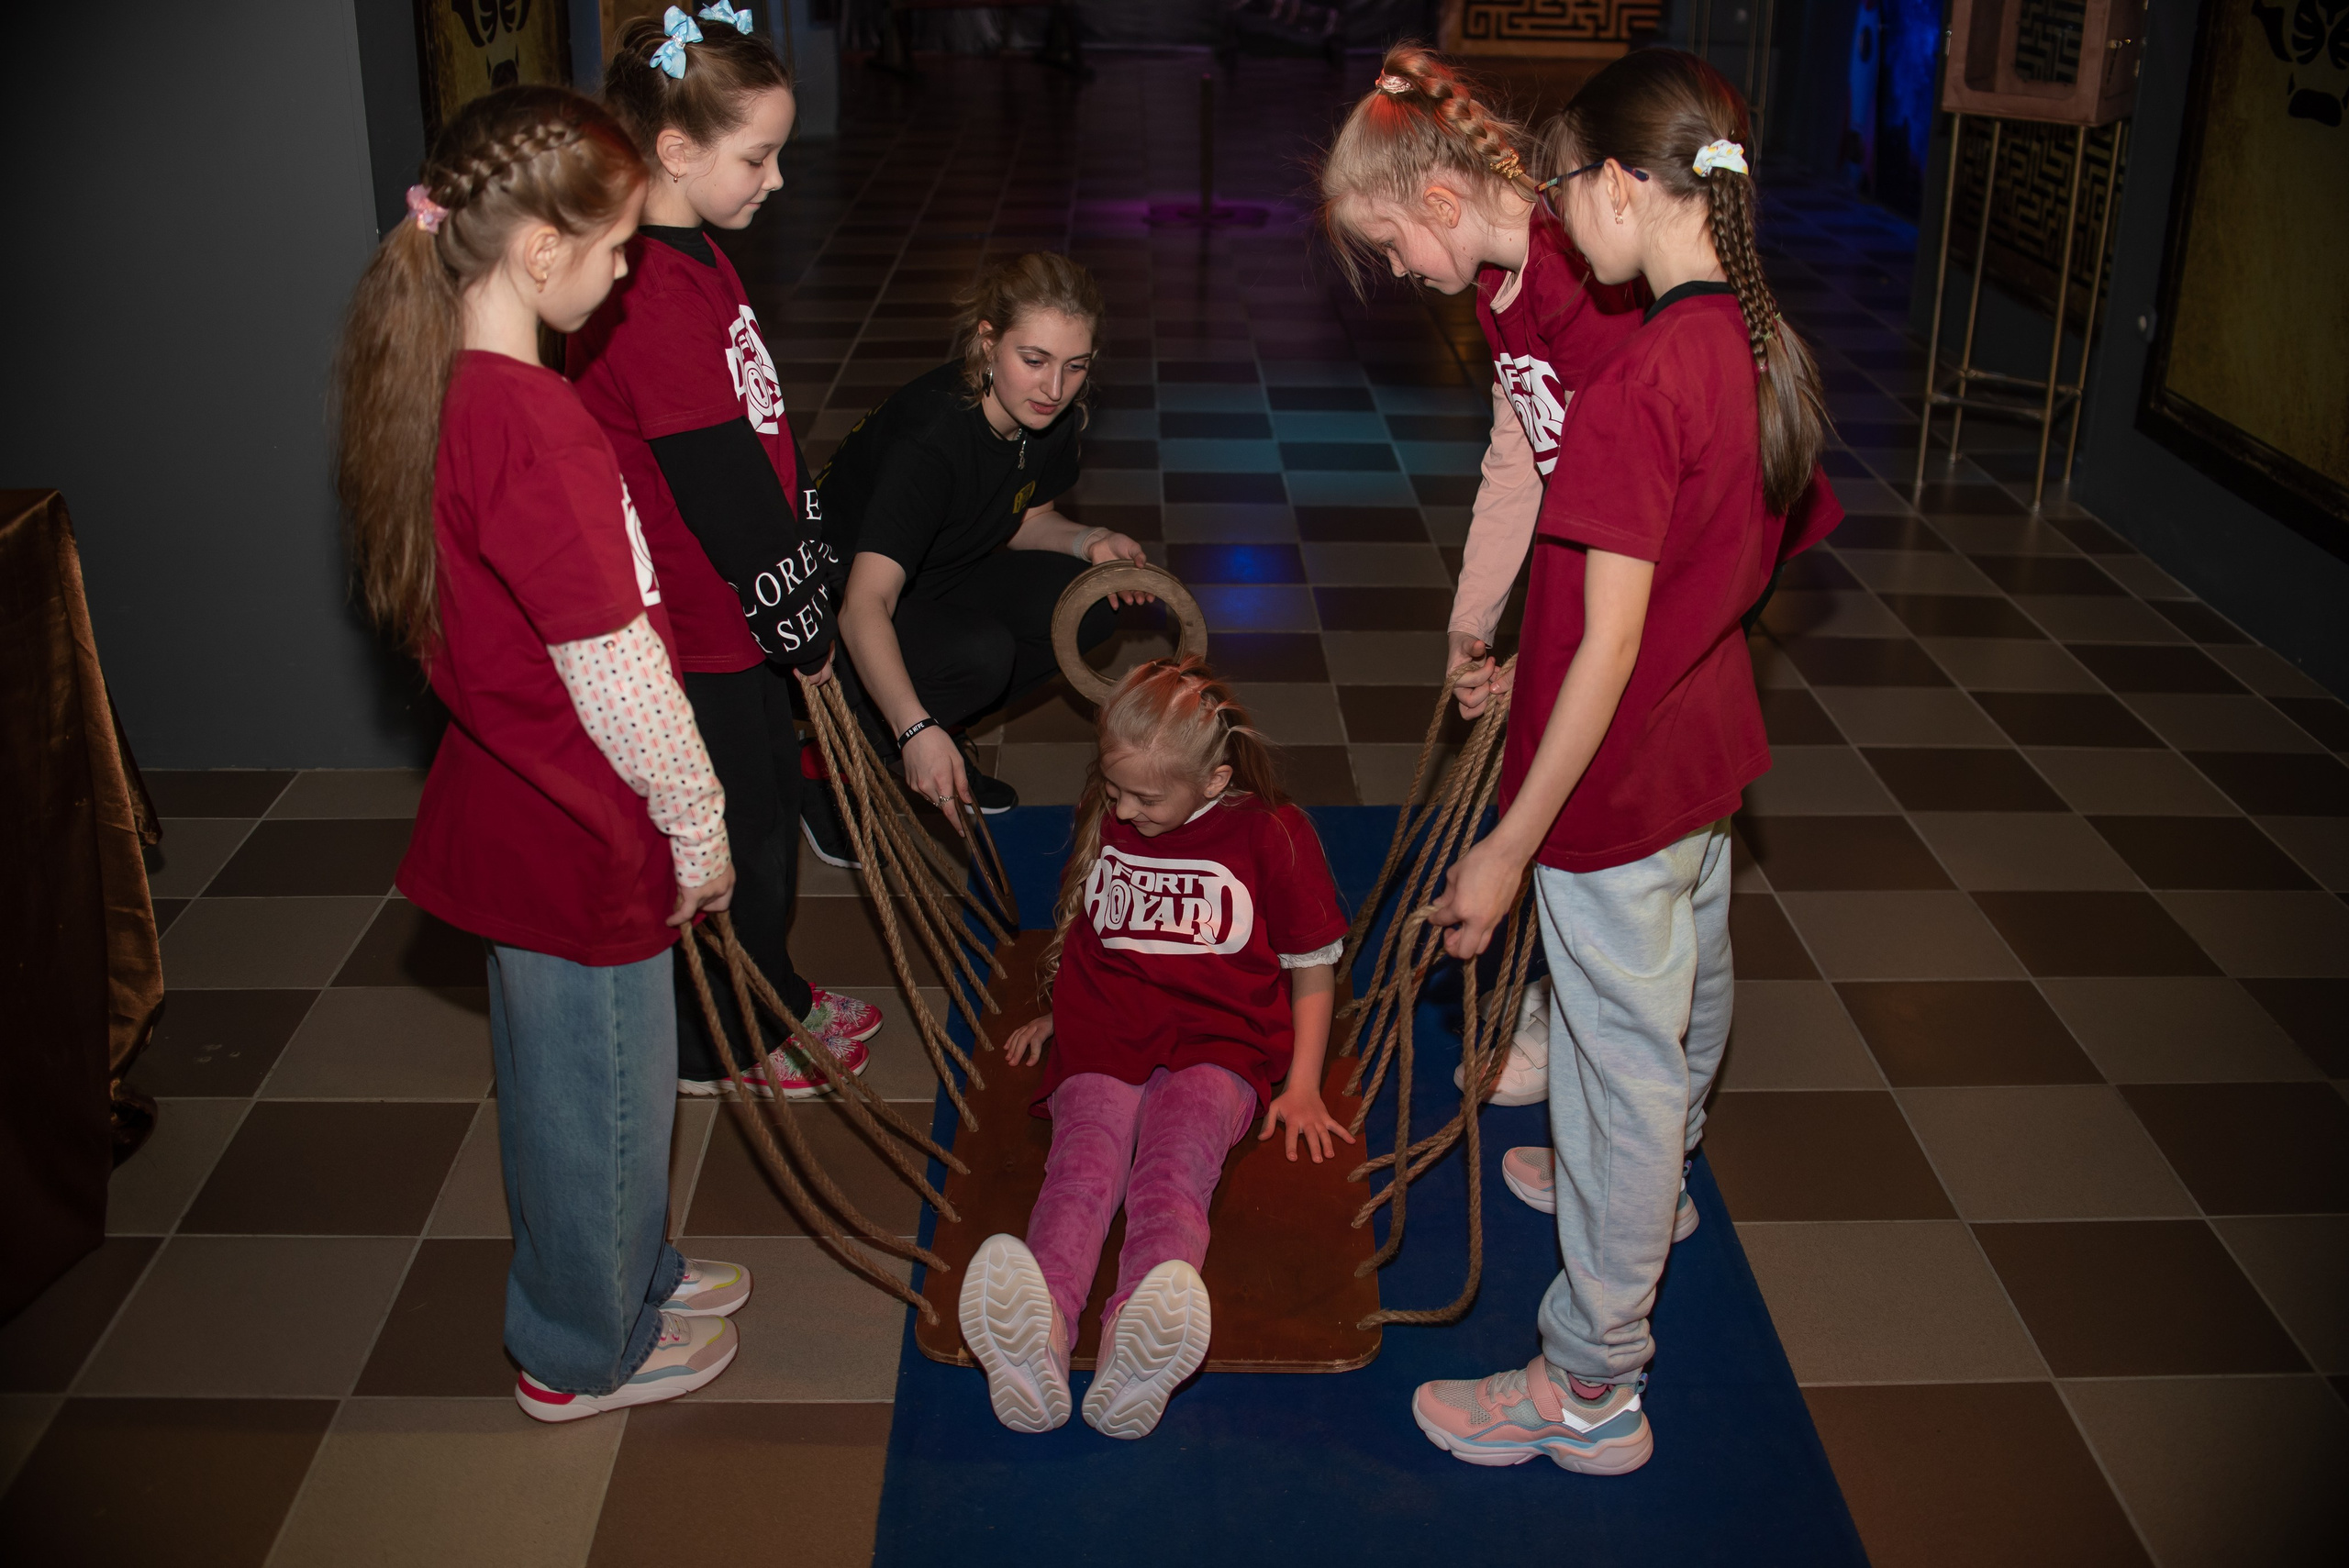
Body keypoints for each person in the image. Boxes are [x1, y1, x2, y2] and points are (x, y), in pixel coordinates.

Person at [1409, 49, 1842, 1474]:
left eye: (1562, 190)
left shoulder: (1641, 378)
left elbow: (1599, 650)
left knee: (1613, 1075)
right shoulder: (1759, 346)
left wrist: (1508, 840)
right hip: (1707, 752)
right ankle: (1655, 1199)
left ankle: (1590, 1378)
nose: (1553, 227)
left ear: (1613, 183)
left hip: (1612, 793)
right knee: (1689, 992)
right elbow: (1741, 574)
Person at [335, 84, 754, 1422]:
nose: (630, 269)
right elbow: (622, 672)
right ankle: (582, 1348)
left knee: (566, 1086)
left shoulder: (446, 384)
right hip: (579, 822)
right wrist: (702, 827)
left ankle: (620, 1270)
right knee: (604, 1101)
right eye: (619, 246)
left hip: (512, 794)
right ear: (538, 251)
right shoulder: (540, 427)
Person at [1319, 43, 1651, 1113]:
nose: (1400, 272)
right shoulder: (1504, 288)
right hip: (1589, 582)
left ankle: (1635, 1108)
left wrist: (1546, 643)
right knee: (1600, 864)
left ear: (1443, 198)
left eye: (1391, 244)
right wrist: (1476, 627)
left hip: (1640, 599)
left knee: (1621, 869)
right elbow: (1521, 456)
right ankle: (1576, 1020)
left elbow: (1631, 501)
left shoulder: (1582, 282)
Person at [571, 6, 881, 1101]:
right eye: (757, 156)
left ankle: (770, 990)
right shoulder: (649, 287)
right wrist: (788, 598)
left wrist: (798, 552)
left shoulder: (694, 249)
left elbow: (755, 432)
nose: (779, 180)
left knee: (763, 810)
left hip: (736, 615)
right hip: (700, 625)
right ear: (675, 151)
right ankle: (718, 1043)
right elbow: (711, 478)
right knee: (733, 825)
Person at [956, 660, 1353, 1440]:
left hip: (1219, 1038)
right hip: (1106, 1026)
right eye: (1115, 790)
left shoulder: (1272, 831)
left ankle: (1138, 1337)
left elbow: (1314, 967)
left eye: (1145, 797)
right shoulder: (1117, 809)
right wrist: (1055, 1011)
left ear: (1213, 780)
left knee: (1174, 1167)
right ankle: (1036, 1339)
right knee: (1082, 1163)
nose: (1124, 810)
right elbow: (1089, 918)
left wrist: (1302, 1082)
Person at [818, 252, 1150, 842]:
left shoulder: (1049, 415)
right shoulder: (932, 440)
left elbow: (1023, 517)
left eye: (1075, 366)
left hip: (937, 569)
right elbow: (864, 605)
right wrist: (913, 730)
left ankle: (931, 722)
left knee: (1088, 605)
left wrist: (1089, 541)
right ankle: (836, 763)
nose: (1054, 388)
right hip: (841, 600)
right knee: (983, 653)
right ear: (987, 341)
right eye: (1034, 360)